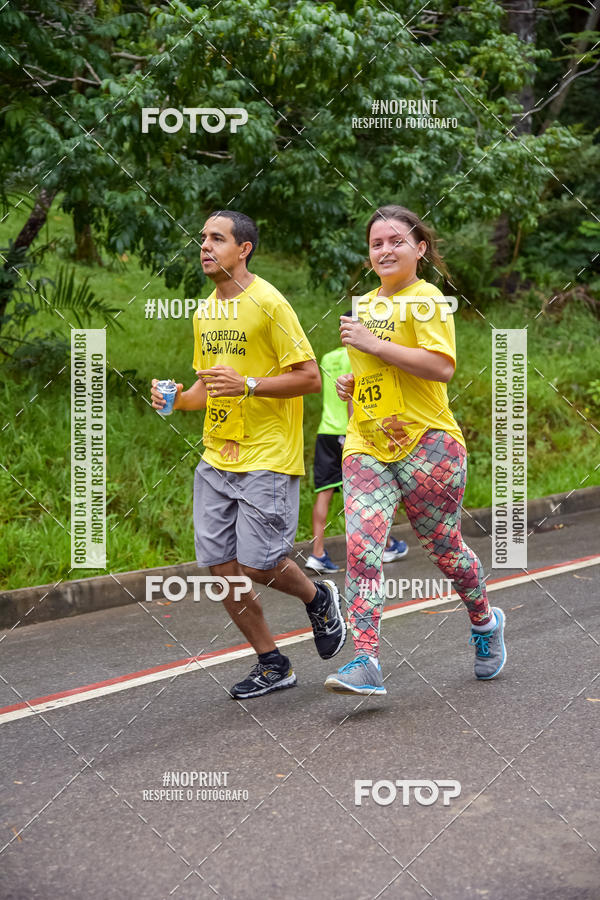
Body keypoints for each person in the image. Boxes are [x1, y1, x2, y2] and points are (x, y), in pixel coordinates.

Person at [151, 210, 346, 699]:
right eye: (202, 239)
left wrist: (251, 384)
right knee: (221, 566)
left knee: (260, 564)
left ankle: (318, 595)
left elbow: (309, 378)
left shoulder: (269, 304)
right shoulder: (205, 312)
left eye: (217, 239)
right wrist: (174, 398)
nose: (205, 247)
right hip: (217, 455)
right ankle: (272, 662)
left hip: (267, 456)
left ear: (244, 249)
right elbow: (206, 388)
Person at [324, 204, 506, 696]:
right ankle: (365, 660)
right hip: (366, 443)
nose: (385, 250)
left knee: (445, 550)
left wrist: (372, 346)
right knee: (362, 548)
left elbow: (439, 368)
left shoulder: (427, 301)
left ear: (419, 249)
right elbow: (377, 371)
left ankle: (486, 623)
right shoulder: (364, 304)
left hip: (429, 444)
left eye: (396, 241)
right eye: (376, 243)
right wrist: (352, 382)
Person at [306, 327, 409, 574]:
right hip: (349, 431)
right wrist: (357, 431)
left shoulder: (328, 357)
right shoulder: (361, 357)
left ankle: (317, 553)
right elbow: (352, 396)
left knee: (324, 491)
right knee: (368, 491)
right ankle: (381, 548)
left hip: (325, 431)